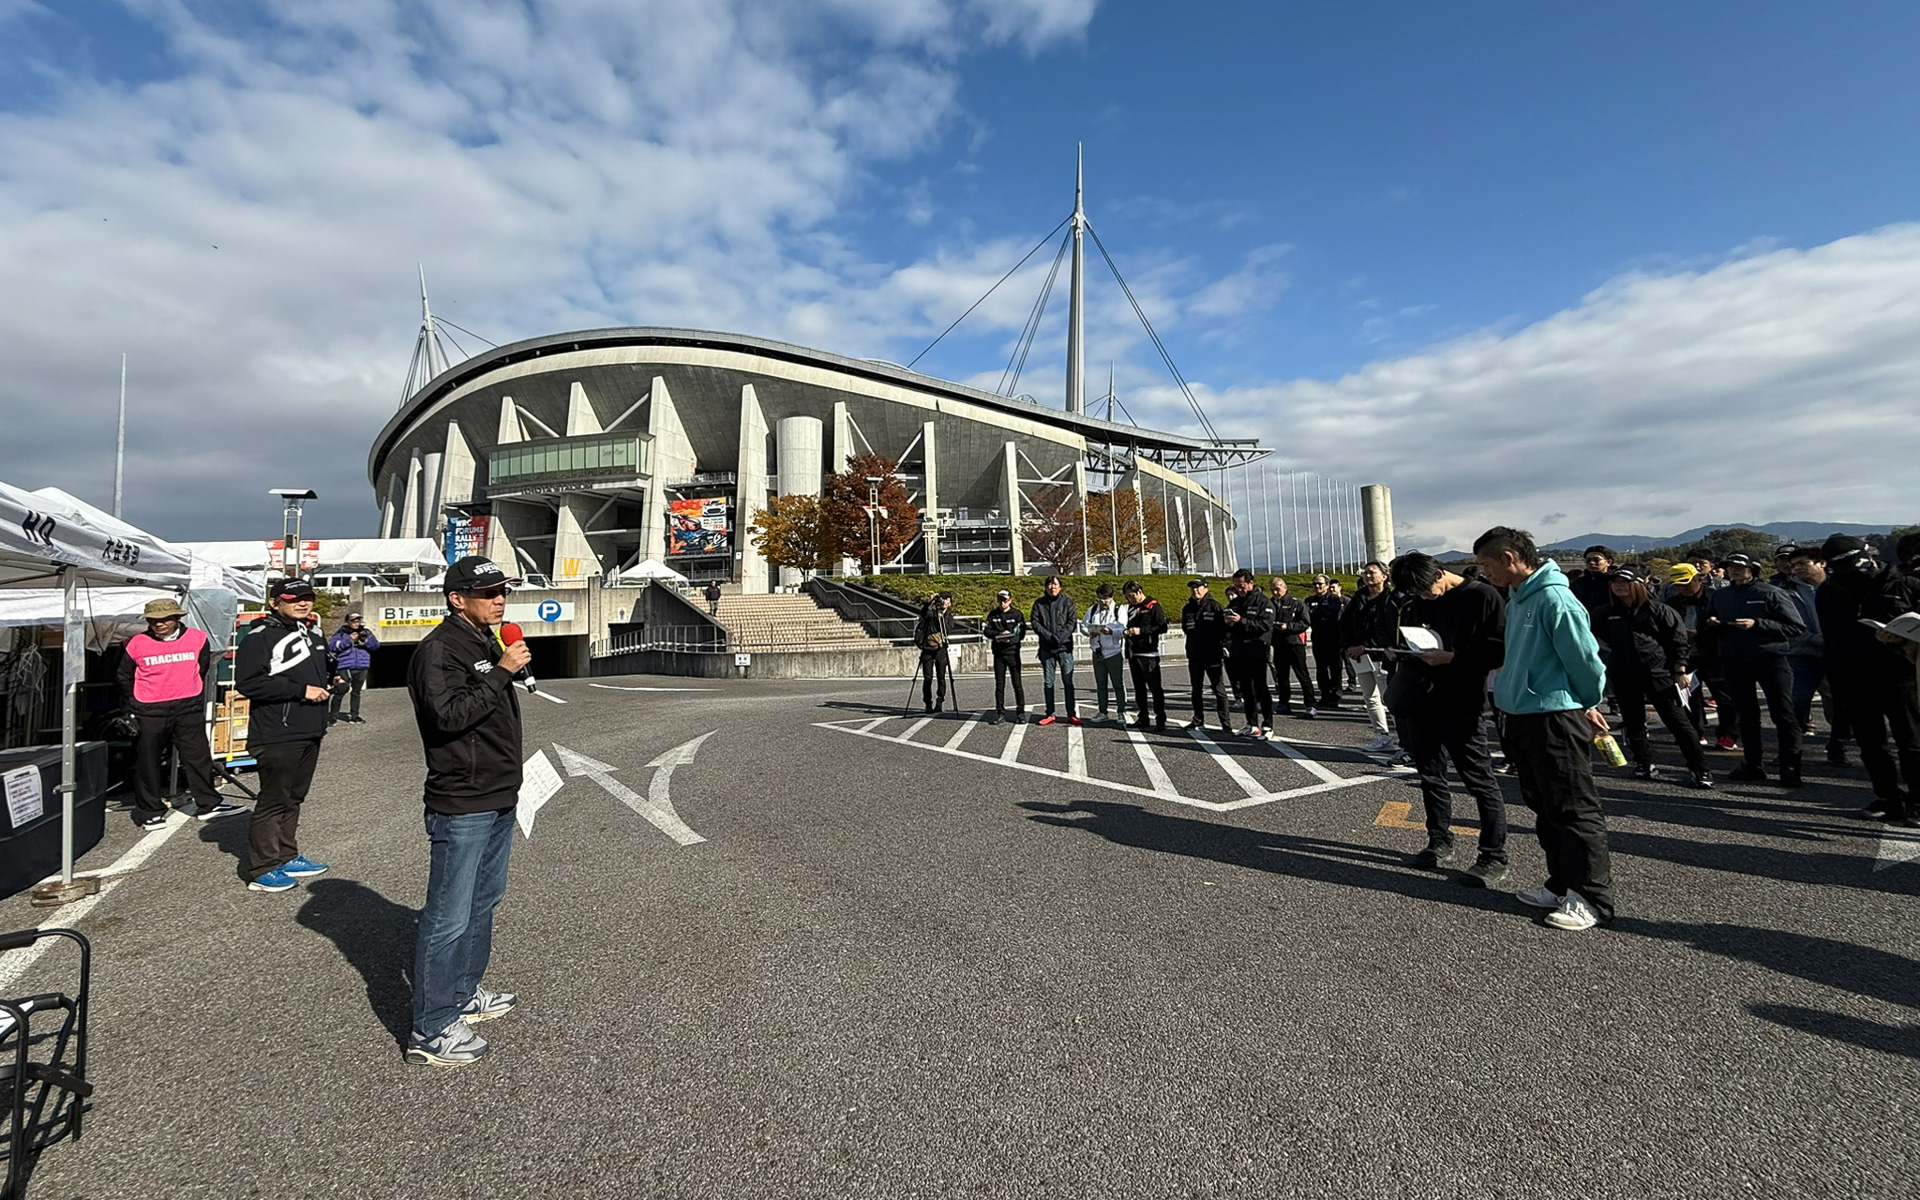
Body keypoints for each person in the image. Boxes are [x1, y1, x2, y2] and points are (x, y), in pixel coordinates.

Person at [404, 555, 531, 1068]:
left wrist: (500, 664)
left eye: (503, 591)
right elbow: (448, 717)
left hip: (498, 792)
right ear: (457, 598)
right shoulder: (439, 650)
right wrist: (502, 671)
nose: (500, 599)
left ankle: (463, 993)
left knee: (484, 901)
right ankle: (431, 1027)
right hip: (463, 799)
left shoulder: (484, 640)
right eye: (488, 592)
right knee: (448, 915)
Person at [1473, 526, 1613, 932]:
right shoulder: (1518, 598)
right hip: (1523, 716)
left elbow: (1586, 661)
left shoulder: (1554, 597)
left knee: (1573, 809)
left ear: (1510, 558)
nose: (1485, 572)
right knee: (1545, 806)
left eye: (1487, 564)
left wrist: (1586, 703)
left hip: (1554, 717)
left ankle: (1591, 898)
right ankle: (1561, 883)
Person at [1383, 553, 1508, 884]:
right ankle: (1438, 840)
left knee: (1478, 778)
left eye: (1426, 590)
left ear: (1440, 572)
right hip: (1420, 696)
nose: (1423, 598)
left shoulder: (1482, 596)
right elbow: (1411, 635)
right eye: (1417, 594)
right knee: (1430, 774)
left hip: (1461, 699)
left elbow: (1499, 650)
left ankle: (1493, 855)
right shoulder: (1415, 599)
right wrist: (1399, 651)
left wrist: (1453, 657)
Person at [232, 579, 334, 893]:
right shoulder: (260, 636)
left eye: (307, 598)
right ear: (275, 602)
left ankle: (287, 855)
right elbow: (248, 683)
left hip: (310, 728)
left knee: (294, 797)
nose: (303, 604)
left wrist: (333, 679)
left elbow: (319, 670)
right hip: (277, 731)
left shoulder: (313, 631)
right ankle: (262, 868)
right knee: (273, 800)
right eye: (294, 599)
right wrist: (301, 691)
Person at [1817, 536, 1920, 822]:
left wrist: (1901, 639)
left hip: (1901, 673)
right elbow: (1831, 636)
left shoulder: (1906, 584)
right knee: (1870, 744)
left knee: (1911, 739)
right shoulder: (1829, 590)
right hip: (1853, 676)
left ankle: (1918, 799)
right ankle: (1888, 796)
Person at [117, 597, 242, 828]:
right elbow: (124, 676)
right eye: (153, 620)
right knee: (148, 762)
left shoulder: (197, 638)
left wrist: (191, 693)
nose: (159, 624)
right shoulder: (135, 643)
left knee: (198, 757)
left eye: (164, 619)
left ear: (177, 618)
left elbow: (201, 667)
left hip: (188, 708)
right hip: (150, 710)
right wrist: (136, 704)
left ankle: (209, 803)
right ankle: (150, 811)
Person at [1593, 569, 1712, 787]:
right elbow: (1593, 635)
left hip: (1659, 673)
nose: (1619, 586)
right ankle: (1643, 763)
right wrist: (1609, 652)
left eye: (1625, 582)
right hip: (1623, 674)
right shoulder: (1606, 612)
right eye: (1615, 582)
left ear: (1638, 584)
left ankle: (1700, 768)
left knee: (1678, 722)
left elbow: (1678, 641)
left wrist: (1680, 670)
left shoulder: (1658, 610)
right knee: (1633, 721)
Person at [1704, 553, 1806, 786]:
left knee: (1783, 713)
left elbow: (1795, 626)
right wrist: (1712, 625)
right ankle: (1752, 765)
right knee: (1746, 715)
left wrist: (1757, 624)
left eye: (1740, 567)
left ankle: (1790, 767)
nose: (1735, 571)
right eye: (1731, 567)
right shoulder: (1721, 595)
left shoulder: (1771, 592)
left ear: (1753, 569)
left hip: (1771, 658)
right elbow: (1709, 622)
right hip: (1734, 659)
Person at [1340, 562, 1400, 753]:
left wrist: (1366, 647)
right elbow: (1345, 624)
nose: (1368, 576)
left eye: (1372, 573)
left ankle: (1403, 739)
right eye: (1365, 573)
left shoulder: (1390, 599)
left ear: (1384, 576)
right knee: (1370, 698)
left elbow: (1388, 630)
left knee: (1390, 699)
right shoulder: (1359, 598)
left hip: (1382, 656)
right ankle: (1382, 735)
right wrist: (1349, 646)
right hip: (1360, 657)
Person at [1223, 569, 1276, 738]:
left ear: (1251, 584)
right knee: (1246, 690)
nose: (1239, 589)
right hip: (1239, 651)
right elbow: (1227, 626)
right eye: (1237, 586)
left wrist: (1242, 621)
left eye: (1242, 585)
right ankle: (1251, 723)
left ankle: (1268, 725)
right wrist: (1228, 623)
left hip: (1257, 650)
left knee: (1261, 688)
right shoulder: (1235, 603)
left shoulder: (1263, 602)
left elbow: (1265, 626)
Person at [1180, 579, 1232, 731]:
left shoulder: (1215, 606)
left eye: (1198, 588)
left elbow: (1224, 629)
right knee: (1196, 689)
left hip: (1212, 654)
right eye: (1193, 588)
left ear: (1206, 588)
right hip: (1194, 654)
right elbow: (1186, 628)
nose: (1195, 591)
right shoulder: (1187, 608)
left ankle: (1225, 722)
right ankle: (1197, 719)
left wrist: (1220, 646)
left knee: (1218, 688)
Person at [1030, 576, 1081, 726]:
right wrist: (1048, 637)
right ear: (1046, 587)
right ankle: (1050, 713)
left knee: (1068, 682)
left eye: (1056, 584)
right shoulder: (1039, 603)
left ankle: (1071, 713)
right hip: (1046, 648)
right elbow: (1035, 622)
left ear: (1060, 587)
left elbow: (1071, 623)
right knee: (1048, 682)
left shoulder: (1068, 602)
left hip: (1064, 648)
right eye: (1050, 584)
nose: (1053, 587)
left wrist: (1058, 638)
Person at [1122, 581, 1168, 732]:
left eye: (1133, 595)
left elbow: (1162, 626)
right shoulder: (1131, 608)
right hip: (1134, 652)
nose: (1131, 598)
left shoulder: (1153, 605)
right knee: (1139, 689)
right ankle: (1143, 717)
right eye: (1128, 596)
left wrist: (1141, 630)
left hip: (1149, 653)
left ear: (1140, 591)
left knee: (1155, 689)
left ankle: (1160, 719)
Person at [1082, 584, 1130, 724]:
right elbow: (1084, 625)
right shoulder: (1092, 610)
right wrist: (1090, 632)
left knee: (1118, 683)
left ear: (1111, 598)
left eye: (1107, 599)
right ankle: (1103, 711)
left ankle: (1121, 712)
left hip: (1113, 652)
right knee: (1100, 684)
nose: (1104, 602)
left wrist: (1111, 631)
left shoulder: (1118, 609)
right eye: (1101, 599)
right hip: (1097, 651)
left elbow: (1122, 626)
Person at [1268, 577, 1316, 719]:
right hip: (1278, 644)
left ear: (1285, 588)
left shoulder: (1296, 603)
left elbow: (1305, 622)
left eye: (1278, 588)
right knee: (1281, 676)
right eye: (1273, 589)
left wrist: (1288, 626)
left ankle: (1310, 704)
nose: (1276, 592)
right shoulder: (1269, 604)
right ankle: (1283, 703)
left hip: (1295, 643)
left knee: (1302, 675)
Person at [326, 611, 379, 725]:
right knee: (341, 691)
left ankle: (354, 716)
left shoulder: (366, 632)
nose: (356, 623)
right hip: (345, 665)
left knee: (356, 692)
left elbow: (376, 646)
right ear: (348, 622)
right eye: (353, 620)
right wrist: (349, 640)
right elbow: (332, 647)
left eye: (358, 620)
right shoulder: (341, 633)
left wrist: (365, 642)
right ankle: (332, 717)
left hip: (362, 665)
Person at [984, 590, 1028, 725]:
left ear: (1010, 600)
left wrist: (1010, 639)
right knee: (999, 685)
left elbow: (1021, 632)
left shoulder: (1017, 614)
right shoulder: (993, 614)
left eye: (1005, 600)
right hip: (998, 654)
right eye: (1000, 600)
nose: (1002, 603)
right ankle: (1000, 713)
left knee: (1017, 684)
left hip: (1013, 653)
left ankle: (1020, 712)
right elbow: (987, 630)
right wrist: (999, 635)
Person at [1305, 575, 1345, 709]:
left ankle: (1335, 695)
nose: (1317, 586)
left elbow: (1331, 614)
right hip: (1318, 637)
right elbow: (1308, 615)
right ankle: (1324, 694)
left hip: (1333, 638)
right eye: (1315, 584)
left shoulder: (1334, 599)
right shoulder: (1309, 600)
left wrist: (1317, 613)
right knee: (1321, 668)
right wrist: (1318, 613)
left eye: (1320, 584)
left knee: (1335, 667)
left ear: (1327, 585)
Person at [914, 592, 954, 713]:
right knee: (928, 678)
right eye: (943, 599)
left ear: (950, 603)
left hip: (941, 649)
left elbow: (947, 631)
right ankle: (928, 703)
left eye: (947, 600)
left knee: (941, 677)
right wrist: (930, 602)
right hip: (927, 648)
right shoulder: (930, 613)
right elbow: (923, 613)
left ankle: (940, 701)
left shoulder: (948, 617)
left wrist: (941, 617)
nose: (944, 602)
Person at [1570, 546, 1616, 616]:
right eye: (1588, 560)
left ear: (1608, 562)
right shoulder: (1578, 584)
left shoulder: (1616, 582)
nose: (1592, 563)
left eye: (1596, 560)